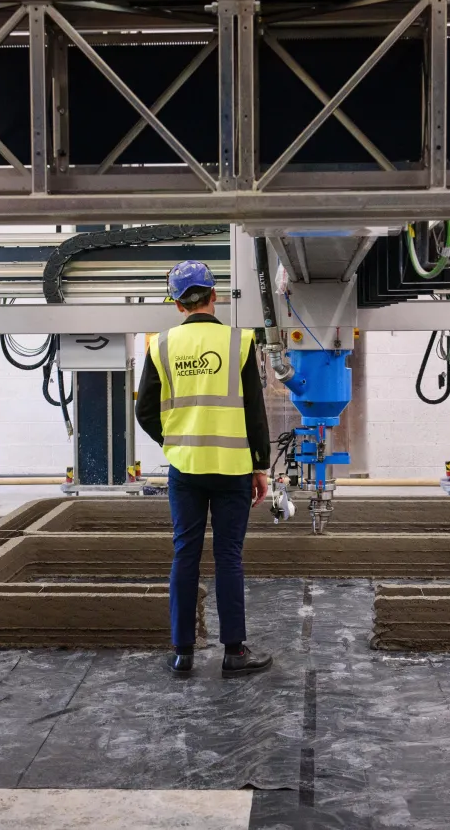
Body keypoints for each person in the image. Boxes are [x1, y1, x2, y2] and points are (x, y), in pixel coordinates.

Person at [135, 261, 272, 678]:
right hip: (233, 469)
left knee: (185, 554)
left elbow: (143, 411)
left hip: (186, 468)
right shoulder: (240, 343)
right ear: (214, 297)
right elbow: (254, 411)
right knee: (228, 556)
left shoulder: (159, 346)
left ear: (177, 304)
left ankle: (183, 652)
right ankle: (234, 652)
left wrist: (173, 441)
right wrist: (260, 466)